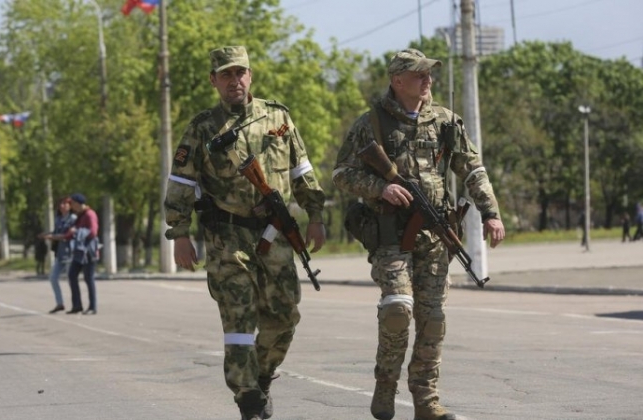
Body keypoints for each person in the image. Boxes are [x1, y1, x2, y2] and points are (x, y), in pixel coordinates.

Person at [332, 48, 505, 420]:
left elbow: (473, 170)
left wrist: (491, 213)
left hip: (435, 236)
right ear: (397, 81)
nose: (428, 79)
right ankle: (385, 385)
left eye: (429, 73)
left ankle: (426, 401)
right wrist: (381, 188)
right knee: (398, 309)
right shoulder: (371, 123)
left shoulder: (445, 121)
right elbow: (341, 174)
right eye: (419, 74)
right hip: (389, 235)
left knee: (433, 320)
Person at [163, 46, 326, 420]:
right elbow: (181, 182)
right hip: (227, 238)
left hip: (275, 235)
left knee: (284, 317)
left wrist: (316, 215)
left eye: (240, 72)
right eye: (226, 74)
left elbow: (301, 172)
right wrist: (179, 233)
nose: (234, 80)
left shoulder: (278, 117)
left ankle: (262, 376)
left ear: (250, 76)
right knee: (238, 321)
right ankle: (248, 398)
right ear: (214, 81)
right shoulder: (203, 127)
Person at [39, 197, 77, 313]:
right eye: (60, 204)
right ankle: (59, 303)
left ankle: (76, 304)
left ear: (70, 206)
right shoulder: (58, 219)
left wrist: (52, 237)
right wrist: (46, 234)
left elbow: (68, 235)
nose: (62, 206)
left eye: (65, 204)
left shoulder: (73, 219)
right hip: (60, 253)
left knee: (71, 280)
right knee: (53, 277)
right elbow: (56, 232)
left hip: (70, 252)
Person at [65, 193, 100, 315]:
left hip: (89, 251)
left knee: (88, 278)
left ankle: (92, 307)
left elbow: (93, 232)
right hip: (79, 252)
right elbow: (71, 233)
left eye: (72, 203)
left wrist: (77, 231)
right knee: (72, 275)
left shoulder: (90, 214)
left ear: (77, 203)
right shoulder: (79, 216)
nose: (71, 206)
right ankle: (77, 305)